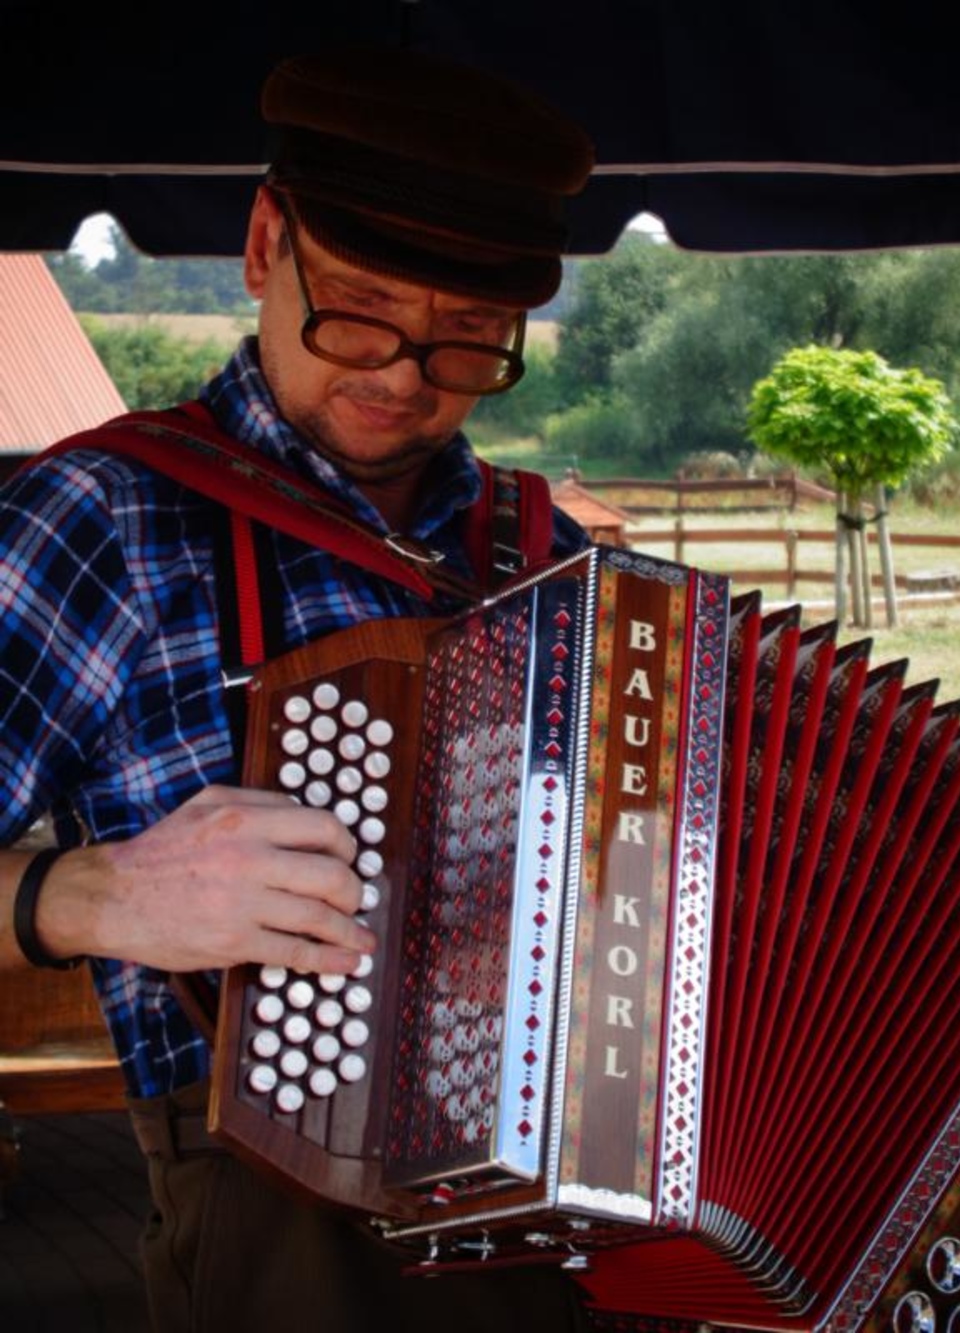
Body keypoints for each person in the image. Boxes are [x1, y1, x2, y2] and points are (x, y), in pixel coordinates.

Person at [0, 44, 595, 1333]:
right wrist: (88, 893)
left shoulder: (563, 560)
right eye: (363, 308)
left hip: (590, 1224)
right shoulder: (101, 519)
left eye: (466, 341)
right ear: (268, 241)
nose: (397, 375)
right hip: (287, 1240)